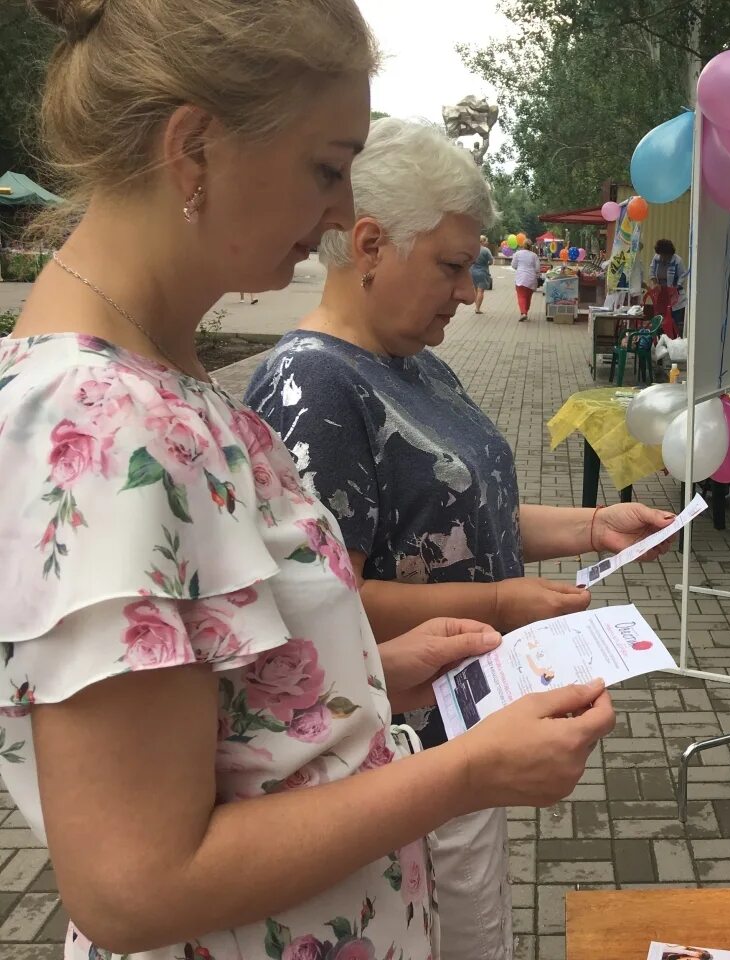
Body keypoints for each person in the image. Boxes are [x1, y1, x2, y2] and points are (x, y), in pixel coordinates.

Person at [0, 6, 615, 960]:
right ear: (194, 149)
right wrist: (466, 774)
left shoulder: (157, 382)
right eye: (327, 169)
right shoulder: (107, 420)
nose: (339, 216)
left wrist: (359, 681)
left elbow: (219, 691)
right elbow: (135, 882)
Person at [245, 118, 673, 960]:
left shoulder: (415, 362)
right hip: (398, 762)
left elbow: (465, 520)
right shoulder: (315, 385)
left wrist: (592, 525)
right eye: (451, 265)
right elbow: (325, 606)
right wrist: (502, 600)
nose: (472, 290)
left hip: (459, 738)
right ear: (368, 244)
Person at [649, 238, 687, 334]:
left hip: (675, 295)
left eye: (665, 255)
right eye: (661, 255)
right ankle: (661, 339)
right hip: (661, 293)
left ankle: (675, 339)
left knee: (674, 320)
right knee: (661, 319)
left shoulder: (678, 261)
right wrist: (655, 283)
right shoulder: (656, 258)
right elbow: (652, 272)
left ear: (670, 254)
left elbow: (683, 276)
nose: (662, 258)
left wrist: (675, 288)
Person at [511, 239, 538, 321]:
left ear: (523, 245)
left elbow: (513, 265)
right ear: (531, 246)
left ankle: (523, 313)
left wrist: (518, 268)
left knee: (521, 296)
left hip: (520, 277)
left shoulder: (517, 254)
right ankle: (525, 312)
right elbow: (537, 269)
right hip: (531, 278)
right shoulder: (534, 255)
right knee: (528, 297)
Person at [470, 235, 494, 314]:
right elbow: (491, 261)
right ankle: (477, 308)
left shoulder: (472, 249)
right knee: (480, 291)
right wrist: (487, 263)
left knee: (474, 289)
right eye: (486, 241)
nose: (487, 242)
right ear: (482, 241)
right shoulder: (486, 250)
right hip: (482, 272)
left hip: (472, 271)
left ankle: (476, 305)